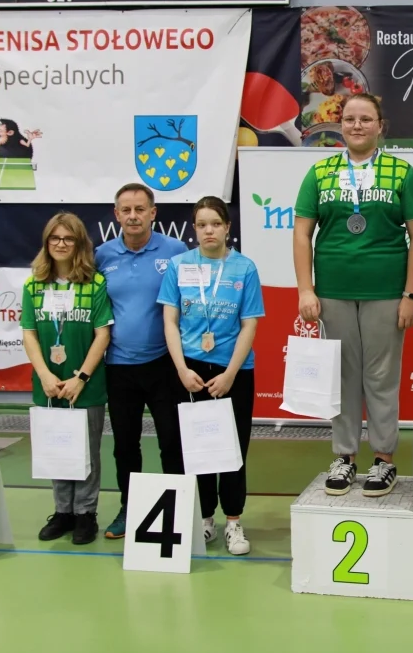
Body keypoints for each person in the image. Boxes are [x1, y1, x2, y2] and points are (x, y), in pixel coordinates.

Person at [293, 93, 413, 497]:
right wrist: (305, 288)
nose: (356, 125)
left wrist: (412, 294)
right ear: (340, 125)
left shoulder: (402, 173)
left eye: (366, 119)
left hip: (386, 291)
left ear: (380, 126)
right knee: (343, 377)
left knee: (381, 378)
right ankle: (344, 457)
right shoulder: (320, 172)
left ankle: (383, 459)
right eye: (350, 118)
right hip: (332, 292)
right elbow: (302, 234)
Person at [158, 196, 264, 556]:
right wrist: (181, 369)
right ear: (194, 228)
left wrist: (231, 373)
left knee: (233, 448)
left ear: (227, 227)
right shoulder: (179, 266)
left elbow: (249, 324)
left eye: (215, 224)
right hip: (189, 370)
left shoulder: (244, 268)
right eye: (202, 224)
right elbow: (170, 321)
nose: (209, 231)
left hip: (233, 371)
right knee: (198, 448)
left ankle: (233, 521)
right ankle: (204, 518)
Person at [94, 183, 188, 540]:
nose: (133, 216)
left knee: (172, 442)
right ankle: (128, 507)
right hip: (119, 368)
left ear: (153, 213)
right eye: (126, 210)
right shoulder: (102, 255)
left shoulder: (175, 251)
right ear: (116, 215)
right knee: (125, 445)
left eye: (140, 209)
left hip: (164, 365)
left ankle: (178, 509)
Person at [21, 212, 113, 544]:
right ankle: (63, 512)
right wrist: (45, 375)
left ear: (79, 243)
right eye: (55, 238)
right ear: (47, 242)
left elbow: (102, 334)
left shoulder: (95, 283)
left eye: (68, 238)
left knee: (86, 450)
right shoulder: (33, 284)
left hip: (84, 385)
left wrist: (81, 377)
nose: (61, 244)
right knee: (56, 448)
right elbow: (29, 334)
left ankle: (85, 513)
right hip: (49, 385)